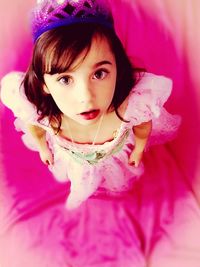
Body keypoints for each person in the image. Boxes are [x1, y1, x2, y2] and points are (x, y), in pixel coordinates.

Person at [0, 0, 181, 210]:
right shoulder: (45, 116)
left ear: (117, 69)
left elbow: (142, 126)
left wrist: (139, 148)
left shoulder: (131, 107)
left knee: (115, 177)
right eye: (65, 80)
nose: (86, 98)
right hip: (75, 161)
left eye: (99, 73)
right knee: (79, 175)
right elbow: (35, 128)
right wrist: (43, 149)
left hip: (112, 158)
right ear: (44, 85)